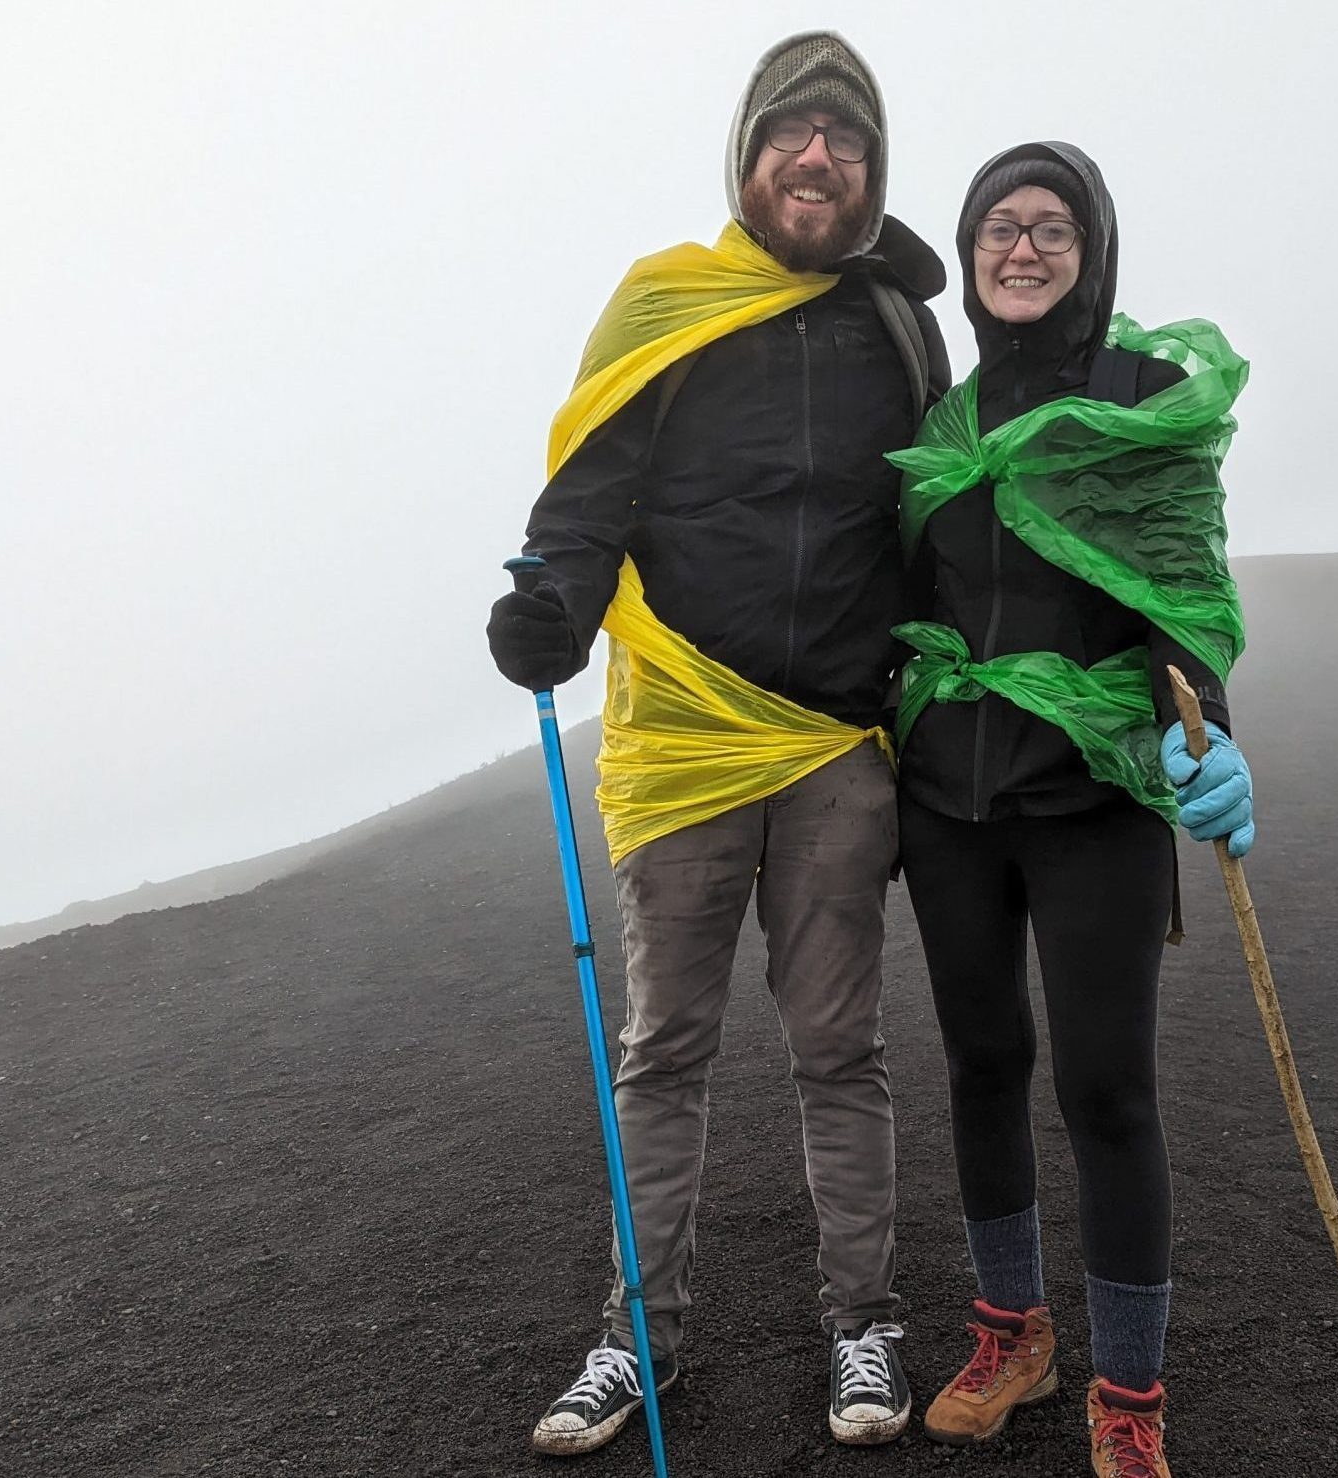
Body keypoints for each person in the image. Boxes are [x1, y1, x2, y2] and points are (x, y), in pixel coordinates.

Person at [482, 30, 951, 1458]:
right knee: (664, 1047)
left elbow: (935, 516)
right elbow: (594, 482)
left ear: (872, 172)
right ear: (746, 156)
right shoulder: (665, 307)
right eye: (793, 133)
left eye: (848, 138)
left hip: (829, 747)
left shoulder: (898, 329)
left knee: (839, 1046)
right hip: (683, 738)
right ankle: (640, 1335)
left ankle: (863, 1322)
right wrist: (553, 598)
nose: (819, 156)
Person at [885, 142, 1254, 1478]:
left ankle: (1131, 1394)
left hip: (1091, 802)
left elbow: (1179, 592)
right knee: (983, 1065)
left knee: (1109, 1091)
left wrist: (1208, 725)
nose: (1021, 248)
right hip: (949, 805)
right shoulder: (946, 427)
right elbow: (904, 603)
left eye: (1051, 228)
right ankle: (1011, 1334)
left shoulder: (1140, 399)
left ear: (1090, 253)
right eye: (998, 227)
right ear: (973, 256)